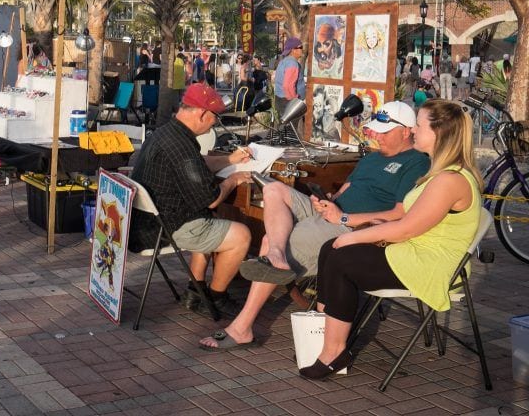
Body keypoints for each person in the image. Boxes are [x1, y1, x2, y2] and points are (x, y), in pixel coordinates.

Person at [199, 101, 429, 350]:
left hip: (352, 227)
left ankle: (242, 327)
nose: (376, 136)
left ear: (406, 131)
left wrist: (342, 217)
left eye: (384, 132)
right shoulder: (373, 158)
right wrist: (326, 202)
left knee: (268, 242)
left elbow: (401, 213)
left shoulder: (416, 162)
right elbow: (345, 189)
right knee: (274, 189)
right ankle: (276, 254)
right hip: (334, 213)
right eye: (376, 130)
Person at [300, 100, 482, 379]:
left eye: (419, 126)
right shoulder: (439, 173)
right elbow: (405, 225)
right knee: (331, 250)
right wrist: (351, 232)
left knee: (341, 257)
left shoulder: (450, 179)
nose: (415, 131)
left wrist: (349, 233)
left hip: (430, 265)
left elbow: (405, 228)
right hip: (413, 252)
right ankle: (322, 340)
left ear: (439, 132)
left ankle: (334, 352)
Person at [128, 83, 253, 311]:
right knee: (241, 235)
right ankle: (216, 297)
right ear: (203, 114)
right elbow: (211, 198)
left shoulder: (167, 132)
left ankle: (195, 292)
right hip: (162, 229)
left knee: (206, 215)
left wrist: (230, 161)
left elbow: (198, 163)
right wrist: (234, 180)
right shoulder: (181, 146)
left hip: (144, 221)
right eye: (215, 116)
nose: (216, 121)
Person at [274, 37, 305, 117]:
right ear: (293, 50)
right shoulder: (292, 64)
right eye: (300, 47)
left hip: (280, 99)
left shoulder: (284, 61)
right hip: (288, 102)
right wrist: (294, 100)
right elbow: (287, 85)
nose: (302, 49)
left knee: (284, 127)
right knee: (292, 128)